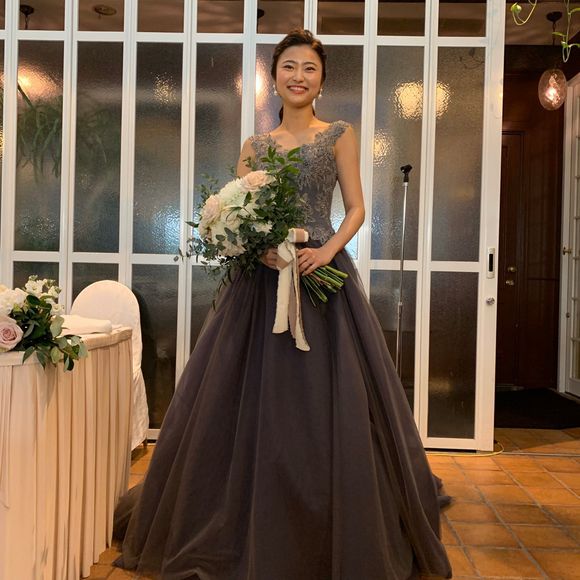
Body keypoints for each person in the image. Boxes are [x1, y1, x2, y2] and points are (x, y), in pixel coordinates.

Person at [114, 29, 452, 580]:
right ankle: (243, 509)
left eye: (310, 68)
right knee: (242, 398)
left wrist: (327, 251)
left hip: (321, 275)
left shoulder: (338, 134)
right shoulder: (254, 145)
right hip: (260, 284)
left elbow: (356, 208)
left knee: (326, 400)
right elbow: (236, 215)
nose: (299, 76)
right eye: (289, 66)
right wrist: (258, 249)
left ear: (322, 80)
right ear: (274, 77)